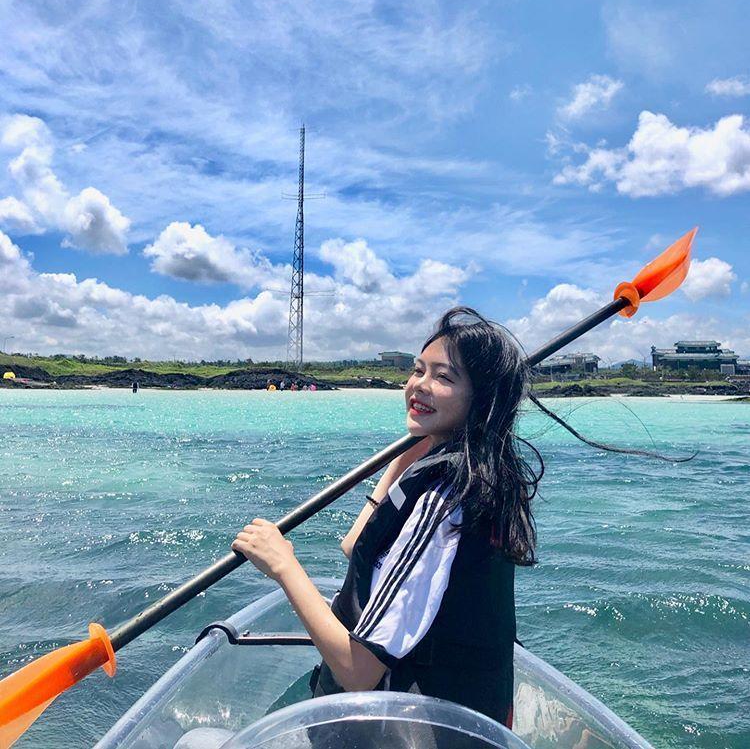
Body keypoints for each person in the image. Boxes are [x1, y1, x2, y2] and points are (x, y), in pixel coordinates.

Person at [231, 307, 680, 731]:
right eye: (417, 370)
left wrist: (283, 565)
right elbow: (357, 549)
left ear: (481, 400)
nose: (419, 385)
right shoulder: (484, 475)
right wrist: (410, 453)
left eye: (443, 377)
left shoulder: (446, 501)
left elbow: (357, 671)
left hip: (411, 729)